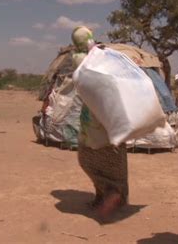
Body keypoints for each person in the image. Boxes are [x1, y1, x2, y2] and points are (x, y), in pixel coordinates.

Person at [71, 26, 129, 216]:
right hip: (111, 113)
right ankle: (111, 194)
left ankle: (108, 195)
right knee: (112, 158)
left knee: (89, 158)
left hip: (95, 118)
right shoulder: (101, 56)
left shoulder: (82, 57)